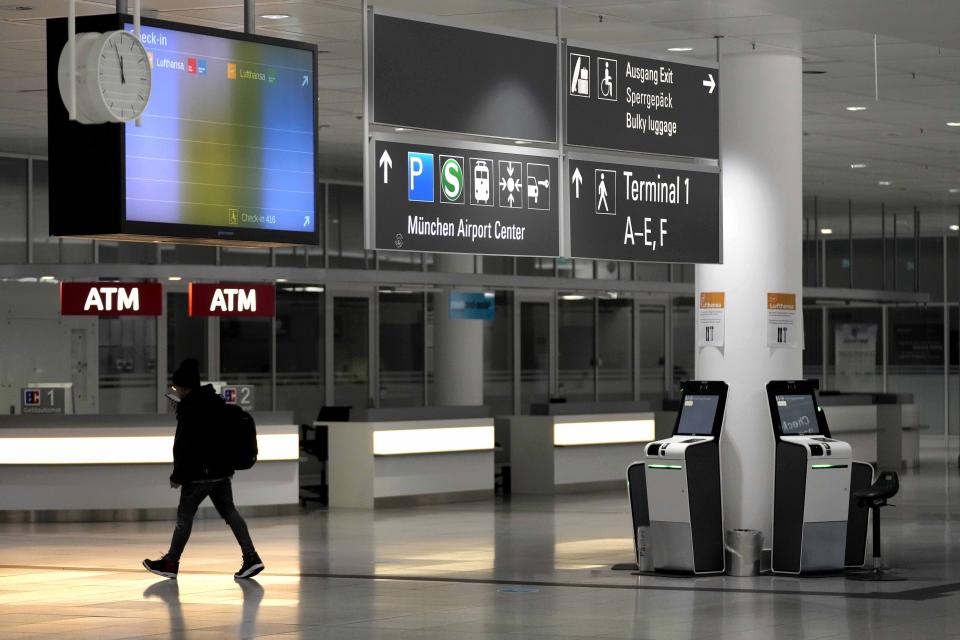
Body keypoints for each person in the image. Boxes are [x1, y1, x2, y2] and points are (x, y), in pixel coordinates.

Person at [143, 358, 264, 580]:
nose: (175, 391)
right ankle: (251, 558)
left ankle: (170, 563)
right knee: (230, 513)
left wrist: (177, 476)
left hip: (199, 475)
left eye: (176, 387)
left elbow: (185, 446)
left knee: (184, 518)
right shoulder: (213, 402)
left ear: (184, 387)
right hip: (221, 472)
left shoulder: (189, 409)